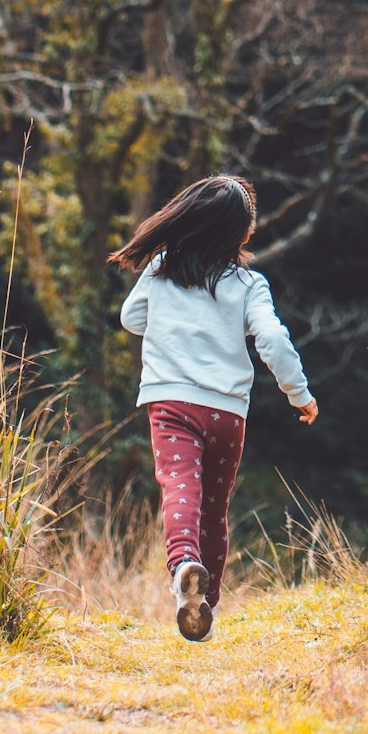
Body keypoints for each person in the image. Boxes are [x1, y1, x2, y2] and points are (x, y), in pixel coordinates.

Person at [110, 174, 318, 642]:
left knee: (180, 486)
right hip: (227, 413)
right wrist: (299, 393)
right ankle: (208, 604)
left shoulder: (161, 268)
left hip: (170, 403)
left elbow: (131, 318)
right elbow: (272, 339)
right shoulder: (249, 284)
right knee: (215, 507)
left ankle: (185, 564)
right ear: (242, 233)